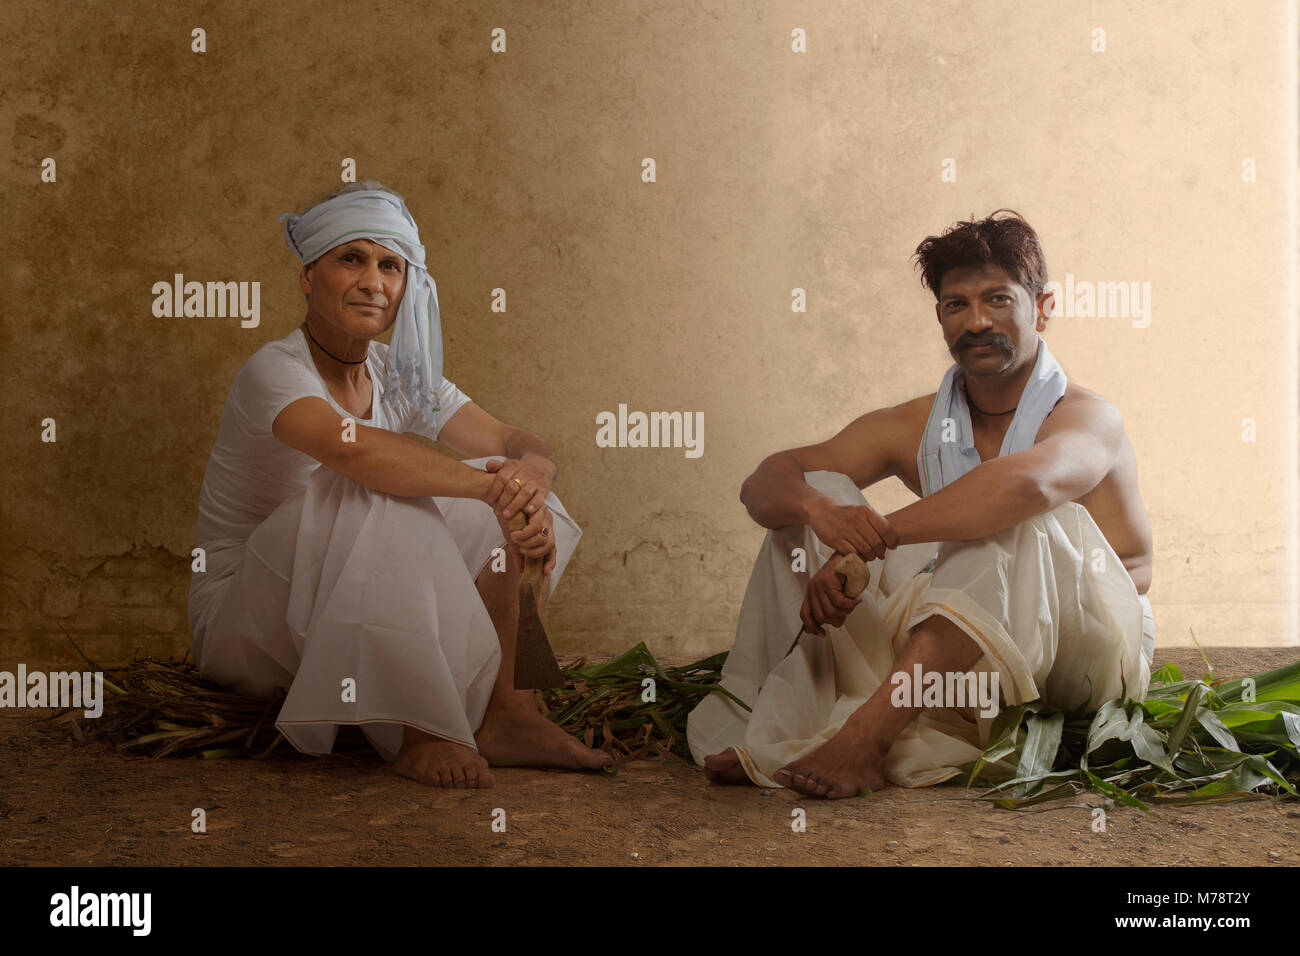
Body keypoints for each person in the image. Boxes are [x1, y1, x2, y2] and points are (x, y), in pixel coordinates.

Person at [688, 209, 1154, 799]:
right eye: (957, 305)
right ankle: (785, 723)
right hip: (967, 638)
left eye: (998, 299)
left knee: (1015, 520)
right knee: (819, 492)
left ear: (1043, 307)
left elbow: (1026, 489)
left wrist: (867, 542)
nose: (977, 321)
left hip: (1081, 652)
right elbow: (763, 483)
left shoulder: (1087, 416)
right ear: (939, 318)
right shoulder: (918, 422)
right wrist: (821, 514)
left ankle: (866, 738)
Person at [187, 181, 611, 788]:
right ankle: (422, 730)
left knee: (526, 505)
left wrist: (530, 478)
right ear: (309, 275)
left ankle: (511, 714)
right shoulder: (274, 370)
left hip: (332, 597)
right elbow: (349, 450)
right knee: (369, 486)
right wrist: (490, 487)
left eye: (391, 265)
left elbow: (516, 442)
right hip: (248, 623)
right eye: (351, 259)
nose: (373, 282)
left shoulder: (400, 374)